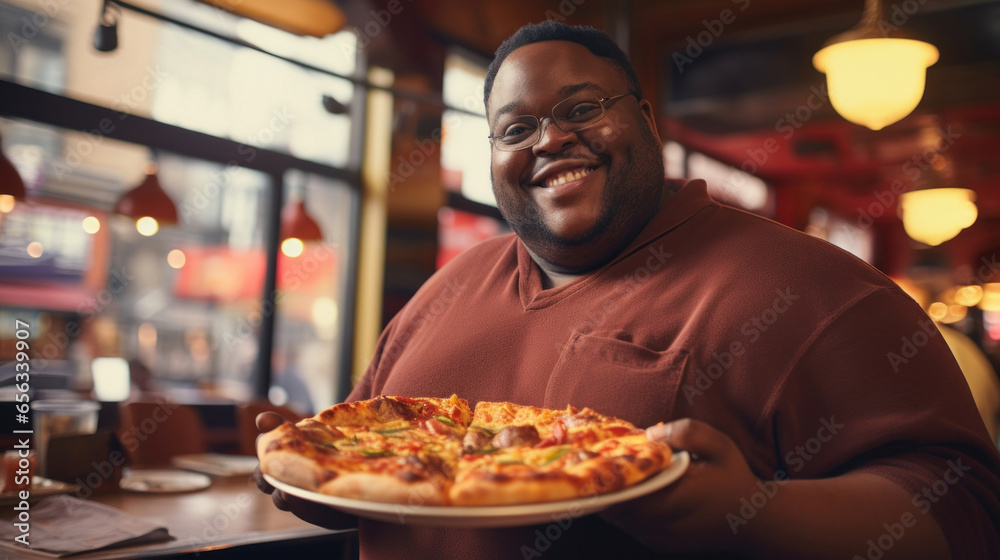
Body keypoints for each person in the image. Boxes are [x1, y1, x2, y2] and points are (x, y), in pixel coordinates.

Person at [256, 21, 1000, 559]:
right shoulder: (441, 289)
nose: (549, 140)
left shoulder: (816, 286)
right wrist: (314, 487)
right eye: (515, 130)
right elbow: (363, 477)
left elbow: (965, 508)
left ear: (644, 120)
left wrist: (754, 513)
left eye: (582, 109)